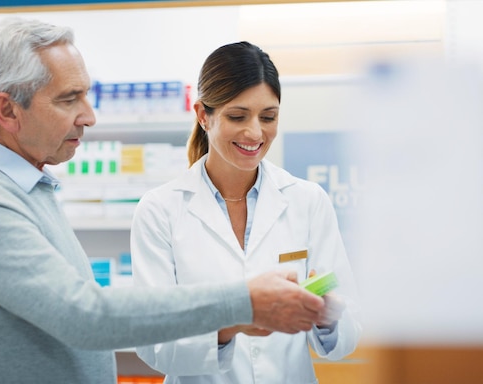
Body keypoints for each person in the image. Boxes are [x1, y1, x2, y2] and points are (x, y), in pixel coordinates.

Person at [0, 18, 329, 383]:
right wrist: (242, 302)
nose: (89, 115)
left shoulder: (29, 187)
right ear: (7, 110)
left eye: (85, 95)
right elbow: (83, 316)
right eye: (68, 98)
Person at [130, 41, 362, 383]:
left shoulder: (308, 201)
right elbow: (153, 343)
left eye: (268, 117)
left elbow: (349, 332)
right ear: (203, 115)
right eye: (237, 116)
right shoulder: (161, 209)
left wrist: (328, 318)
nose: (255, 132)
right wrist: (230, 325)